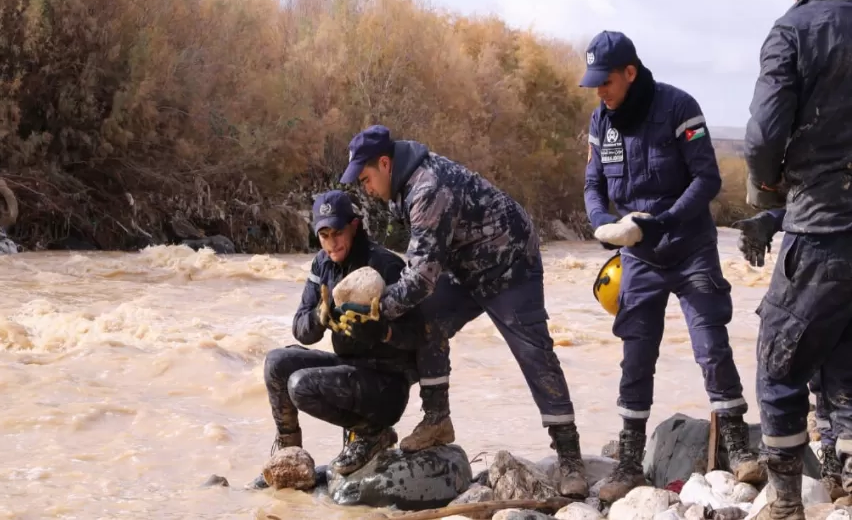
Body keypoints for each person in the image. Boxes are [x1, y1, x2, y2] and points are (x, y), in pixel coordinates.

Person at [336, 124, 590, 499]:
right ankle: (437, 419)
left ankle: (570, 457)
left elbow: (420, 278)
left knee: (534, 352)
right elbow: (423, 265)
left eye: (366, 178)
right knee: (426, 321)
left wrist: (377, 311)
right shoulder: (402, 185)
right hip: (464, 264)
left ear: (386, 164)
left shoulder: (427, 188)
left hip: (510, 262)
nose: (365, 188)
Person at [580, 30, 765, 502]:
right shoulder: (601, 122)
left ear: (630, 72)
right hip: (637, 256)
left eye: (606, 81)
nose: (600, 91)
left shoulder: (679, 107)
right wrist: (604, 225)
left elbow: (708, 179)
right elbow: (593, 185)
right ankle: (628, 462)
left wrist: (661, 223)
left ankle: (740, 450)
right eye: (594, 83)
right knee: (636, 354)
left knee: (711, 345)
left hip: (689, 247)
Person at [745, 0, 852, 519]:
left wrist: (768, 189)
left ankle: (787, 502)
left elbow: (762, 136)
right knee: (844, 355)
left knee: (779, 363)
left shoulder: (791, 31)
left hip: (821, 232)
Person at [262, 190, 419, 477]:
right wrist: (320, 316)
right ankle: (288, 452)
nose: (332, 243)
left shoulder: (386, 266)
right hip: (348, 371)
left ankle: (374, 433)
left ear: (355, 226)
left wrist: (382, 332)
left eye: (338, 233)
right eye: (324, 235)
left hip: (387, 385)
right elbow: (302, 331)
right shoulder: (322, 264)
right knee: (276, 363)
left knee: (301, 385)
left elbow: (419, 336)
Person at [734, 210, 844, 500]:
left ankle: (786, 503)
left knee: (780, 370)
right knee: (839, 364)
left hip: (819, 241)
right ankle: (835, 467)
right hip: (824, 233)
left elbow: (815, 187)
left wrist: (771, 214)